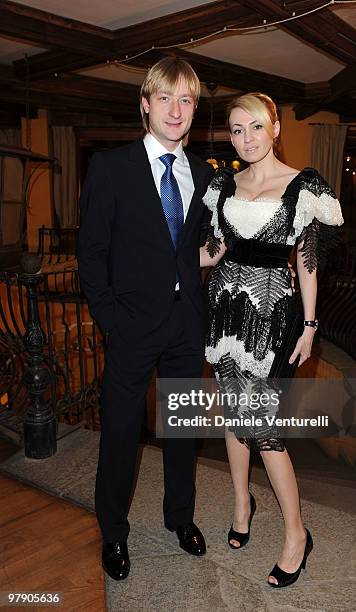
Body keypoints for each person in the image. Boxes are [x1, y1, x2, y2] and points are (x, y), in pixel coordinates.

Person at [78, 57, 214, 581]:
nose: (176, 110)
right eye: (166, 98)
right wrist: (112, 321)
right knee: (120, 433)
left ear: (194, 109)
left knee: (182, 431)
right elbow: (91, 254)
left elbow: (190, 249)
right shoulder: (111, 168)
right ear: (145, 104)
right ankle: (113, 532)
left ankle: (180, 518)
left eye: (186, 101)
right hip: (131, 327)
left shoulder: (202, 174)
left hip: (186, 325)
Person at [200, 92, 344, 588]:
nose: (245, 139)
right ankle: (242, 506)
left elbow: (307, 260)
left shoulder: (302, 186)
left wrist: (309, 325)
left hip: (273, 313)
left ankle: (297, 535)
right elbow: (215, 251)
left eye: (254, 127)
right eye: (236, 130)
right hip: (225, 309)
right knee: (230, 410)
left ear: (275, 127)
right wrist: (156, 260)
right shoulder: (224, 183)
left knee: (262, 426)